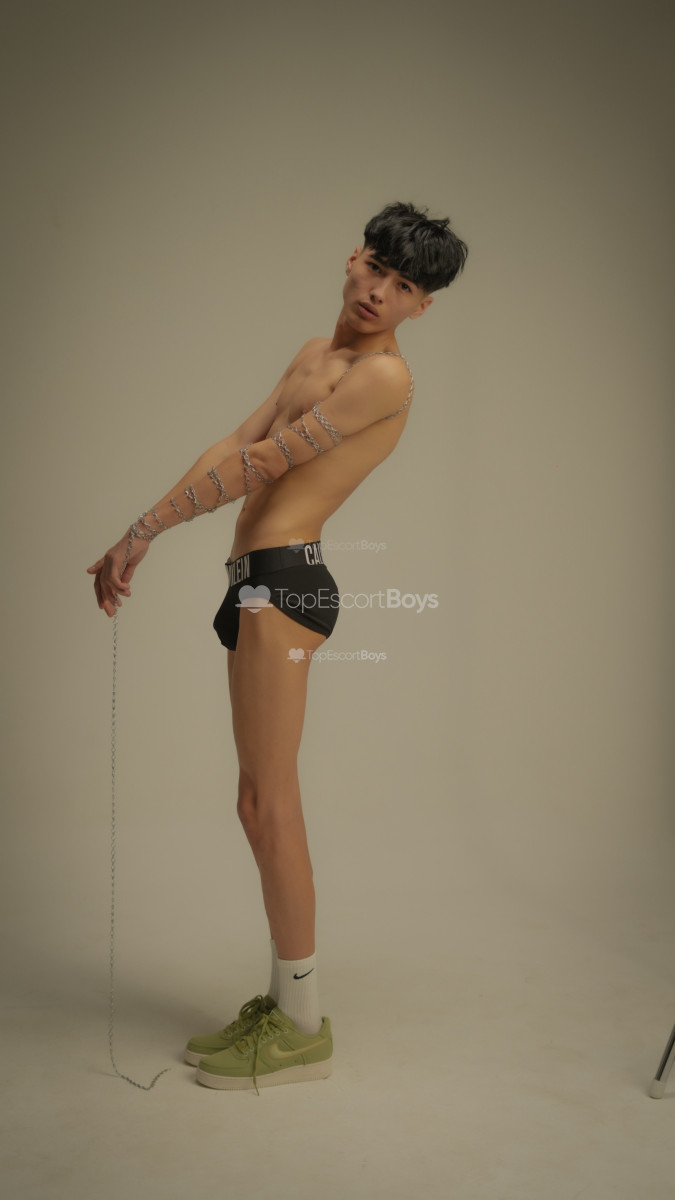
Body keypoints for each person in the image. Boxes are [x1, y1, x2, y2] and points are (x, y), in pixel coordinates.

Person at [87, 201, 468, 1093]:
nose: (380, 292)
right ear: (353, 258)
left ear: (422, 306)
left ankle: (300, 1026)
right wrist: (142, 529)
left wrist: (146, 529)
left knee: (270, 804)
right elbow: (235, 442)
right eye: (376, 269)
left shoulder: (383, 378)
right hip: (255, 580)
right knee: (255, 803)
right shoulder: (311, 353)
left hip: (284, 586)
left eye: (403, 287)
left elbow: (264, 465)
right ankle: (282, 1003)